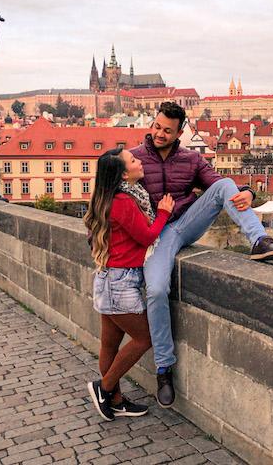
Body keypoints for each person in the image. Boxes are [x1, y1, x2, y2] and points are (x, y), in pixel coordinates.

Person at [131, 102, 273, 408]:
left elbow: (220, 186)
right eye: (157, 127)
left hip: (186, 224)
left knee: (226, 184)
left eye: (167, 130)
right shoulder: (135, 157)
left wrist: (248, 192)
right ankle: (164, 368)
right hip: (156, 234)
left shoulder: (191, 158)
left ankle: (259, 240)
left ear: (179, 133)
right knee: (157, 290)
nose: (160, 133)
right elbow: (112, 193)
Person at [83, 147, 175, 421]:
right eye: (134, 160)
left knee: (110, 345)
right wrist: (164, 213)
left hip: (107, 277)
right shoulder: (123, 202)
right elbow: (147, 237)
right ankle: (105, 388)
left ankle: (117, 401)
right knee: (144, 338)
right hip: (121, 281)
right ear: (123, 174)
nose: (139, 161)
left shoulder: (107, 197)